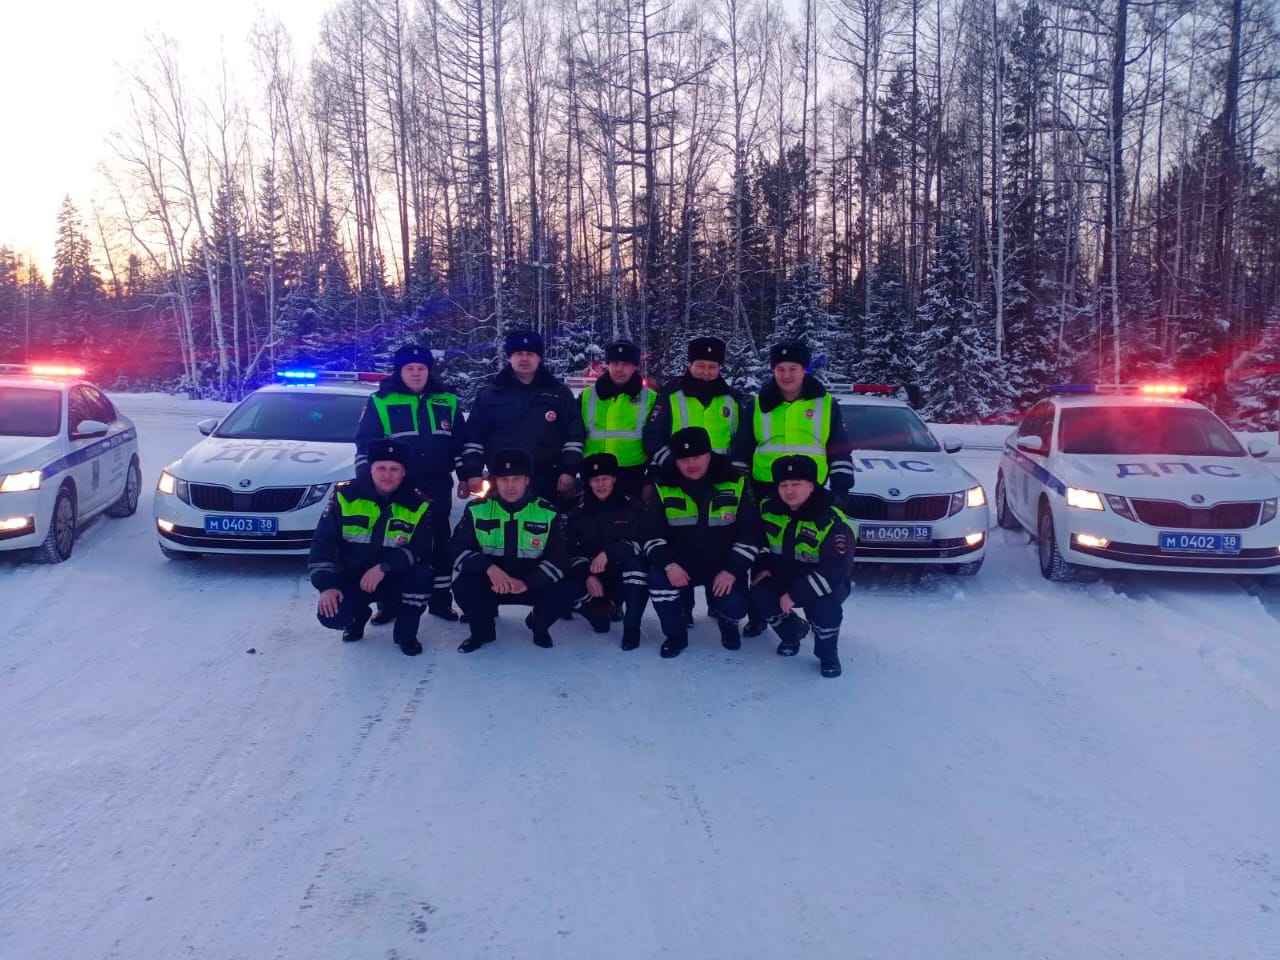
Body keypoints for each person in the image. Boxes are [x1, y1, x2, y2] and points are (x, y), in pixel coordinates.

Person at [735, 339, 855, 637]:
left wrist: (840, 491)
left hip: (808, 494)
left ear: (804, 370)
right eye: (779, 369)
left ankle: (815, 605)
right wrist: (744, 488)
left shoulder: (825, 403)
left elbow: (839, 450)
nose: (786, 375)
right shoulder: (757, 403)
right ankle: (760, 614)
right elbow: (742, 449)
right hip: (765, 491)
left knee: (806, 550)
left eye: (792, 369)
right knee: (762, 551)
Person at [354, 343, 478, 622]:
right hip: (396, 485)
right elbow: (365, 444)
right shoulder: (381, 400)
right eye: (410, 369)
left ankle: (440, 602)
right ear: (400, 371)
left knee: (439, 542)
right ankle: (388, 604)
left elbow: (460, 442)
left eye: (421, 368)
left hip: (437, 484)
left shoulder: (447, 399)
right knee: (393, 540)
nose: (416, 374)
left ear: (428, 370)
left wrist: (465, 474)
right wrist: (367, 482)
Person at [635, 427, 762, 658]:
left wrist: (732, 570)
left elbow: (751, 533)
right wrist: (669, 564)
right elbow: (650, 534)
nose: (691, 464)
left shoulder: (735, 481)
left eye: (697, 457)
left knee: (736, 606)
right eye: (683, 459)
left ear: (709, 455)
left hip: (723, 564)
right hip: (683, 564)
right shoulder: (663, 485)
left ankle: (727, 622)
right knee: (657, 578)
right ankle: (676, 635)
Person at [308, 439, 433, 656]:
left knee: (422, 574)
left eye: (394, 469)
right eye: (381, 468)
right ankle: (356, 618)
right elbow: (323, 543)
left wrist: (384, 567)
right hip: (351, 577)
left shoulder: (418, 504)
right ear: (371, 469)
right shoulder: (346, 497)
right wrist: (326, 586)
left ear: (404, 472)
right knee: (332, 614)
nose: (387, 475)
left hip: (393, 577)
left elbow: (420, 548)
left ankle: (406, 632)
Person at [450, 448, 581, 652]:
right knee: (462, 585)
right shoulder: (477, 509)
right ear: (495, 481)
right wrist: (490, 570)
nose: (510, 486)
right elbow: (457, 549)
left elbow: (560, 559)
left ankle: (539, 624)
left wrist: (527, 582)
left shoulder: (547, 512)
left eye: (517, 479)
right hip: (492, 582)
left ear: (527, 480)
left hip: (530, 583)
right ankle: (482, 631)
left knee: (566, 589)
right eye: (504, 479)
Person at [752, 455, 856, 678]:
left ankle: (827, 655)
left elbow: (835, 570)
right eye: (783, 485)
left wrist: (794, 594)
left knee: (824, 610)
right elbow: (760, 543)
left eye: (796, 484)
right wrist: (762, 567)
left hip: (826, 582)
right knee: (760, 592)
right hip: (785, 575)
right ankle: (792, 633)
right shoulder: (768, 508)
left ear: (811, 486)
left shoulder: (831, 519)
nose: (789, 491)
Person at [464, 329, 584, 503]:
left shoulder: (559, 394)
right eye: (519, 353)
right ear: (509, 357)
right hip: (502, 480)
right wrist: (473, 472)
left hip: (548, 480)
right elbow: (474, 437)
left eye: (530, 354)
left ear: (539, 358)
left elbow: (574, 436)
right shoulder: (490, 395)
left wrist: (569, 471)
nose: (525, 358)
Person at [566, 453, 649, 651]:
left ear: (614, 479)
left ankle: (632, 628)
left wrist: (610, 554)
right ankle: (595, 608)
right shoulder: (577, 510)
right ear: (588, 482)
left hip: (621, 571)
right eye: (595, 480)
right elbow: (568, 550)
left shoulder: (632, 506)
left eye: (605, 478)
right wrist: (587, 575)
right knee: (600, 624)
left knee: (637, 566)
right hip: (592, 573)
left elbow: (642, 542)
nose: (601, 484)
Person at [643, 335, 743, 468]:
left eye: (712, 367)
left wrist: (735, 466)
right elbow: (652, 436)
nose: (706, 372)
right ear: (690, 365)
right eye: (700, 366)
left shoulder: (734, 400)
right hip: (680, 473)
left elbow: (743, 440)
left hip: (722, 474)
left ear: (719, 368)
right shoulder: (670, 397)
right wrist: (670, 463)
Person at [580, 340, 654, 498]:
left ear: (635, 366)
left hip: (632, 474)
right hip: (594, 474)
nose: (620, 368)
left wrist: (651, 478)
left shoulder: (651, 398)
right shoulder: (586, 396)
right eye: (615, 363)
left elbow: (657, 438)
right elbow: (573, 433)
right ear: (608, 364)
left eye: (626, 363)